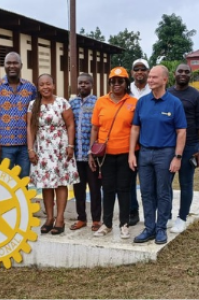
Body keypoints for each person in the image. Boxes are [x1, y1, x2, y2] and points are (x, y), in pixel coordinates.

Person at [129, 65, 187, 245]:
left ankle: (161, 228)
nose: (150, 80)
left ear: (164, 80)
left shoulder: (174, 103)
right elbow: (135, 128)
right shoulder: (143, 102)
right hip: (145, 153)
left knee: (162, 192)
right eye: (150, 77)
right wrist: (132, 153)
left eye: (154, 77)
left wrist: (177, 157)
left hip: (165, 153)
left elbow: (181, 131)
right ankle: (149, 228)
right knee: (146, 192)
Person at [89, 67, 139, 239]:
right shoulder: (101, 102)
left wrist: (133, 153)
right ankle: (107, 224)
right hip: (105, 156)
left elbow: (136, 128)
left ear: (126, 83)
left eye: (120, 81)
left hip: (126, 153)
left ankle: (124, 224)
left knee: (124, 189)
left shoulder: (133, 102)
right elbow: (95, 127)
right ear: (109, 83)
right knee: (108, 189)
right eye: (113, 81)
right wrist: (91, 153)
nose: (117, 84)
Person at [27, 73, 79, 235]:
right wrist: (30, 149)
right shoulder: (33, 105)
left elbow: (70, 125)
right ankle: (49, 218)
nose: (45, 87)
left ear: (53, 85)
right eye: (41, 84)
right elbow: (30, 128)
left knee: (61, 183)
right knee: (46, 185)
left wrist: (70, 145)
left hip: (60, 148)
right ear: (38, 87)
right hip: (42, 148)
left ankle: (60, 218)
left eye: (48, 84)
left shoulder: (62, 103)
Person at [168, 63, 199, 233]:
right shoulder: (167, 94)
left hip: (190, 146)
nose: (183, 74)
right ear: (174, 74)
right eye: (180, 71)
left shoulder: (197, 96)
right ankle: (166, 215)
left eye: (187, 72)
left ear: (190, 75)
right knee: (164, 183)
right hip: (168, 145)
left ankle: (182, 218)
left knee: (186, 183)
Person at [0, 52, 36, 178]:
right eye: (8, 63)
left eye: (15, 63)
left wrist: (33, 144)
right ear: (4, 66)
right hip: (3, 146)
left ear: (21, 65)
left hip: (25, 145)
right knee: (5, 182)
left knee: (23, 180)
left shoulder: (30, 87)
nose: (12, 66)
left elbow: (35, 115)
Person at [69, 73, 102, 232]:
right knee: (78, 189)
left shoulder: (98, 102)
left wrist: (94, 152)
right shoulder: (72, 103)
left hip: (92, 156)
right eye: (80, 83)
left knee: (95, 188)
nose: (83, 85)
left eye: (86, 83)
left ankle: (96, 219)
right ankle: (81, 218)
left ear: (91, 85)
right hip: (76, 155)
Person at [128, 58, 152, 226]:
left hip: (149, 141)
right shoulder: (126, 89)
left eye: (143, 69)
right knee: (129, 180)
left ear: (148, 72)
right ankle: (132, 210)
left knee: (147, 181)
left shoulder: (154, 88)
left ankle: (151, 214)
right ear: (132, 72)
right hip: (129, 141)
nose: (140, 72)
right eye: (136, 69)